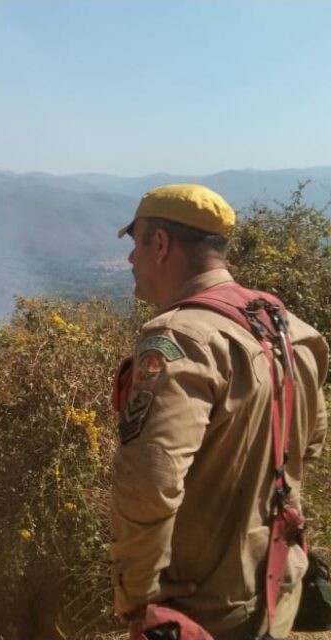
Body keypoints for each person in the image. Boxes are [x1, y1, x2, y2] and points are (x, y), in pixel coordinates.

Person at [110, 184, 328, 640]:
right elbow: (310, 444)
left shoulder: (180, 337)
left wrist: (138, 599)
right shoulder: (286, 327)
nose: (132, 260)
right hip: (277, 584)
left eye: (136, 244)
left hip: (202, 612)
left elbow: (151, 484)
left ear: (161, 244)